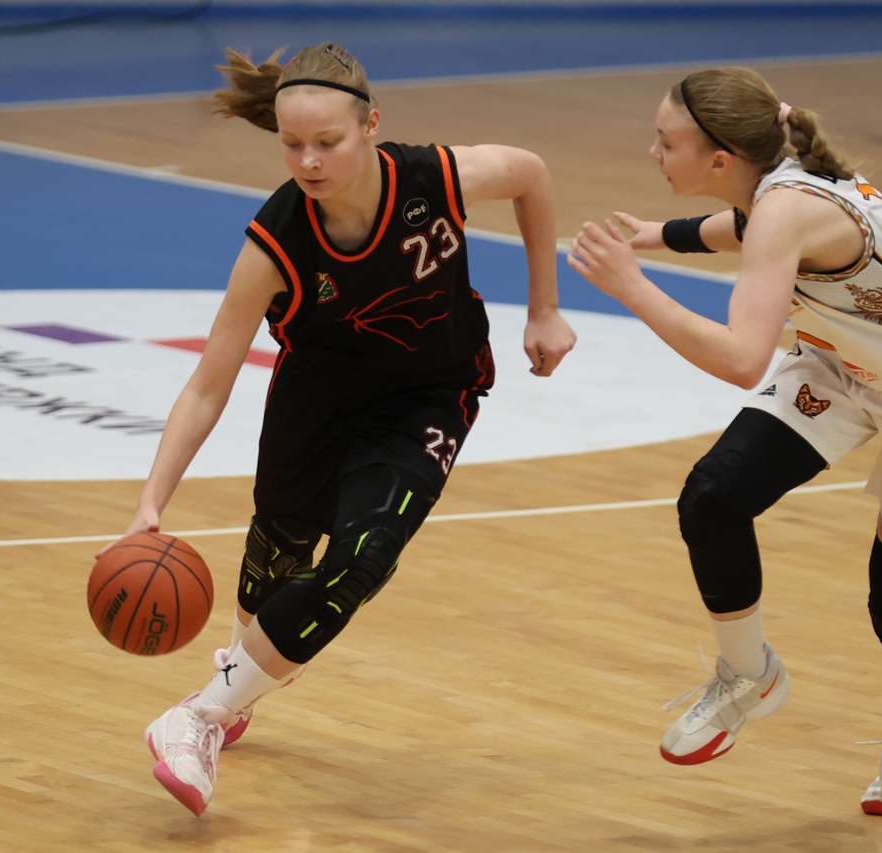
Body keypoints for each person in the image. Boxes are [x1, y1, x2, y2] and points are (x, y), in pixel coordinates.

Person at [98, 42, 576, 817]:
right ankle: (237, 679)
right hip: (315, 406)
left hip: (428, 396)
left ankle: (197, 716)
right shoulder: (277, 240)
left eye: (328, 142)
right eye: (292, 145)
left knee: (363, 559)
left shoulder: (434, 177)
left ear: (371, 125)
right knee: (272, 580)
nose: (309, 161)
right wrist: (151, 500)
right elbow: (208, 383)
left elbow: (532, 174)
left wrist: (544, 306)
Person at [568, 66, 882, 815]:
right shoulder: (775, 187)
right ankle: (748, 674)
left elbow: (742, 359)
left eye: (665, 142)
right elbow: (741, 227)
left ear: (720, 159)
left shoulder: (786, 209)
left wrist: (632, 283)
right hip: (842, 364)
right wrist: (657, 235)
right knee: (713, 496)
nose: (652, 153)